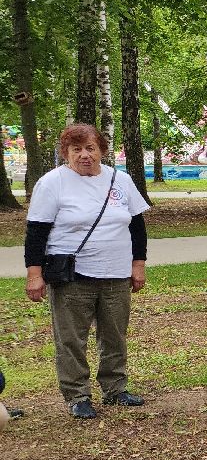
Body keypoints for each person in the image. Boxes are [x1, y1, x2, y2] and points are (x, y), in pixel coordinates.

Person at [23, 123, 150, 419]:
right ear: (65, 153)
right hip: (72, 278)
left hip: (116, 274)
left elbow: (137, 227)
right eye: (76, 149)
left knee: (115, 336)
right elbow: (36, 234)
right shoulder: (52, 183)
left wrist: (138, 265)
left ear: (101, 151)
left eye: (90, 148)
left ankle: (115, 388)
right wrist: (34, 274)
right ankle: (77, 395)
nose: (84, 155)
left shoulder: (120, 180)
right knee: (71, 340)